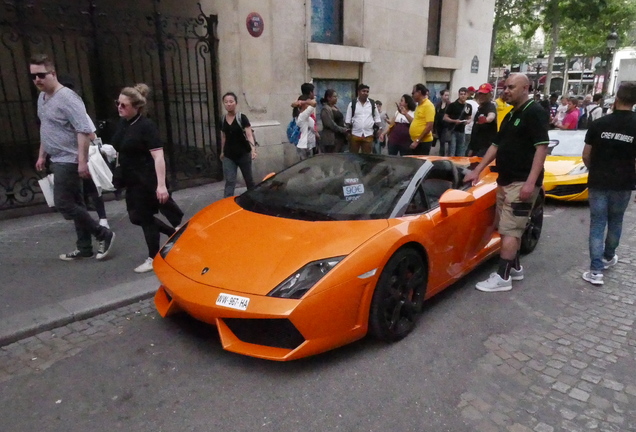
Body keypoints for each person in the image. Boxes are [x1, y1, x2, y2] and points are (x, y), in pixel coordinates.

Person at [464, 73, 549, 292]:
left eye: (511, 87)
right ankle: (515, 267)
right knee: (508, 227)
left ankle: (503, 277)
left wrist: (530, 183)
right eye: (505, 87)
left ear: (525, 88)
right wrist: (478, 171)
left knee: (510, 229)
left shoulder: (535, 112)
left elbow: (541, 148)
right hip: (506, 180)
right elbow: (496, 145)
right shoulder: (513, 114)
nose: (506, 91)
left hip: (521, 181)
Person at [31, 54, 115, 261]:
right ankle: (84, 247)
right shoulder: (42, 98)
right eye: (33, 76)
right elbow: (47, 128)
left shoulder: (67, 98)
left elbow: (83, 130)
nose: (37, 80)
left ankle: (103, 233)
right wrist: (42, 154)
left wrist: (82, 161)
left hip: (68, 160)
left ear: (53, 73)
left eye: (41, 75)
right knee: (76, 203)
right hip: (56, 158)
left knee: (63, 203)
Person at [111, 83, 184, 273]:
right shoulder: (123, 123)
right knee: (135, 217)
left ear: (137, 107)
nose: (119, 107)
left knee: (144, 218)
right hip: (131, 178)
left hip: (146, 179)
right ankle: (173, 235)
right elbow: (120, 147)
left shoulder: (146, 126)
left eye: (124, 105)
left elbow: (158, 156)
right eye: (118, 103)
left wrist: (161, 186)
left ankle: (154, 257)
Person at [580, 82, 636, 285]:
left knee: (597, 224)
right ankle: (609, 255)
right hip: (623, 182)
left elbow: (586, 155)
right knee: (616, 220)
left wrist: (594, 169)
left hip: (599, 181)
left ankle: (596, 270)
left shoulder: (599, 124)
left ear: (617, 98)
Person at [57, 74, 110, 229]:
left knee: (92, 187)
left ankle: (102, 218)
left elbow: (91, 134)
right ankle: (88, 221)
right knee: (80, 191)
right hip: (68, 156)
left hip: (83, 155)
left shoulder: (77, 110)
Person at [219, 92, 257, 197]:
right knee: (230, 181)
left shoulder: (242, 118)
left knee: (249, 180)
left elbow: (249, 135)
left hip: (243, 153)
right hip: (229, 155)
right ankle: (227, 204)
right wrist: (222, 151)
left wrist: (253, 150)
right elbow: (224, 137)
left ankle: (254, 199)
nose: (228, 104)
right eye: (226, 102)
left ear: (236, 103)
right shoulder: (222, 119)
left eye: (231, 101)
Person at [345, 84, 383, 154]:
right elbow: (348, 119)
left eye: (367, 91)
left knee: (367, 157)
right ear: (359, 92)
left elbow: (377, 118)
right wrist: (348, 132)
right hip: (355, 134)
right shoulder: (352, 104)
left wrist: (380, 129)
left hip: (368, 134)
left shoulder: (372, 104)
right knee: (353, 156)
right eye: (363, 91)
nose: (365, 93)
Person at [467, 83, 497, 158]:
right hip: (475, 147)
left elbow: (491, 116)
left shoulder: (490, 106)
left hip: (485, 148)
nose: (481, 96)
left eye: (485, 94)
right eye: (480, 94)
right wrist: (471, 148)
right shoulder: (480, 108)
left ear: (490, 95)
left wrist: (486, 119)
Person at [443, 87, 473, 156]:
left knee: (461, 151)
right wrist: (454, 121)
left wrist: (468, 121)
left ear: (467, 95)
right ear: (458, 95)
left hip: (462, 131)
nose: (462, 96)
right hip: (453, 130)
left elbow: (469, 117)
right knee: (452, 151)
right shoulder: (452, 105)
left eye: (464, 94)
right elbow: (445, 117)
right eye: (461, 94)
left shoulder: (468, 106)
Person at [409, 83, 435, 155]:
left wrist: (417, 140)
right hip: (415, 140)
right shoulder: (419, 105)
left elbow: (429, 126)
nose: (412, 95)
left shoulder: (428, 105)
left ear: (419, 92)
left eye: (413, 93)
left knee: (420, 164)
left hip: (423, 142)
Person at [319, 89, 348, 153]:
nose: (336, 98)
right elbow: (330, 124)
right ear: (329, 98)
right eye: (334, 97)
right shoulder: (325, 109)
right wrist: (343, 130)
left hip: (340, 138)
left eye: (336, 96)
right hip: (331, 139)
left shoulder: (335, 107)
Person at [296, 95, 317, 160]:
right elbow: (314, 103)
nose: (309, 105)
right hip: (304, 146)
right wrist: (305, 102)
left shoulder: (307, 116)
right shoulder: (302, 116)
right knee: (305, 167)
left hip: (309, 145)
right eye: (308, 104)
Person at [434, 89, 451, 155]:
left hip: (446, 126)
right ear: (442, 96)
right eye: (445, 95)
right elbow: (435, 115)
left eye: (448, 95)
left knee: (443, 141)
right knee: (440, 141)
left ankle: (442, 155)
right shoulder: (438, 105)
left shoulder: (450, 105)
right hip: (439, 125)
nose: (447, 97)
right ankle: (441, 154)